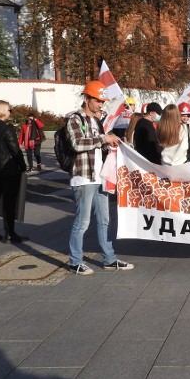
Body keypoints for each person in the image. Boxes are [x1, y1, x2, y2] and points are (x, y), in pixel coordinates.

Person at [65, 80, 133, 275]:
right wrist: (104, 139)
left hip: (99, 176)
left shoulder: (96, 121)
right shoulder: (74, 119)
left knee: (104, 220)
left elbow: (98, 146)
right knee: (82, 222)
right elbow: (77, 144)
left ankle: (109, 259)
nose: (101, 105)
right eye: (98, 101)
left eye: (102, 102)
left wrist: (110, 146)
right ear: (87, 99)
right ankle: (75, 261)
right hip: (83, 177)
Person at [0, 100, 28, 243]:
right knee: (9, 202)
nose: (10, 112)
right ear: (2, 111)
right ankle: (9, 232)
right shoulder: (7, 129)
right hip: (7, 170)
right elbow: (15, 150)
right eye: (9, 110)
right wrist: (22, 165)